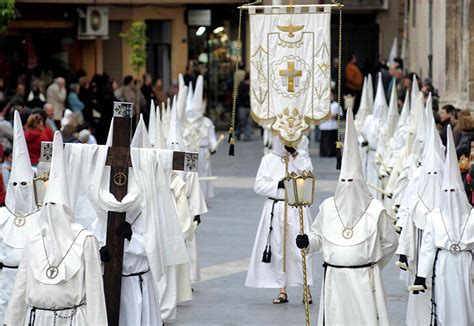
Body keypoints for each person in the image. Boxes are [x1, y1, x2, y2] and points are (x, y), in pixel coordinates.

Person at [296, 107, 398, 325]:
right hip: (335, 279)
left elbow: (390, 242)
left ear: (361, 183)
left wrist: (374, 265)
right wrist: (307, 243)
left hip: (364, 278)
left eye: (352, 182)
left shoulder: (376, 210)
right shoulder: (328, 207)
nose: (347, 186)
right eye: (344, 182)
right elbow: (318, 236)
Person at [4, 131, 108, 325]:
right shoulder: (35, 238)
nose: (53, 214)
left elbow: (95, 292)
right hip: (38, 318)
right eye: (49, 207)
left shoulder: (85, 240)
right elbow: (21, 286)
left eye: (57, 207)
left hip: (72, 319)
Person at [413, 126, 474, 325]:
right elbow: (428, 247)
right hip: (445, 264)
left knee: (468, 303)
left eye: (453, 191)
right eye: (445, 191)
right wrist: (421, 275)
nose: (449, 196)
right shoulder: (435, 217)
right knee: (446, 305)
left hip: (467, 264)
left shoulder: (472, 215)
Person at [245, 134, 315, 304]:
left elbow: (307, 174)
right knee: (278, 248)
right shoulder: (268, 160)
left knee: (301, 248)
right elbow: (258, 185)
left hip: (296, 207)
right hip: (276, 209)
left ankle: (307, 290)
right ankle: (282, 290)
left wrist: (295, 155)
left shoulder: (302, 156)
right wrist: (278, 184)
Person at [395, 94, 445, 326]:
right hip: (419, 250)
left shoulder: (448, 203)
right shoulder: (417, 199)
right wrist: (404, 252)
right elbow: (407, 227)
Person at [0, 112, 41, 324]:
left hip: (29, 281)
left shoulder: (41, 217)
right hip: (4, 281)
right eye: (15, 184)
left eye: (24, 184)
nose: (19, 189)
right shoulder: (1, 216)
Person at [319, 91, 339, 157]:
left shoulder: (336, 105)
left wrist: (335, 116)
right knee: (324, 141)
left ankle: (333, 153)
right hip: (324, 126)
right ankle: (324, 153)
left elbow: (340, 115)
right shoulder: (321, 105)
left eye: (331, 95)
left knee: (333, 141)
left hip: (333, 126)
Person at [236, 72, 252, 141]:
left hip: (248, 106)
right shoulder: (242, 85)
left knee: (248, 122)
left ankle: (247, 136)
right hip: (242, 106)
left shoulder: (250, 86)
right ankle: (238, 132)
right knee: (242, 121)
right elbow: (240, 96)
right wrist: (247, 94)